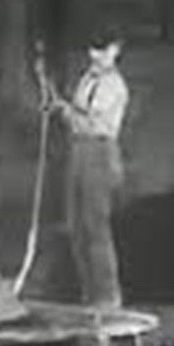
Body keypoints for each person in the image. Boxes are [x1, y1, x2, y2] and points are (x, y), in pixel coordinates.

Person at [51, 27, 129, 309]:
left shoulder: (114, 86)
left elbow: (94, 124)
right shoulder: (87, 79)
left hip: (99, 151)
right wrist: (58, 106)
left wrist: (66, 112)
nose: (97, 56)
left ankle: (108, 296)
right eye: (94, 50)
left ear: (116, 50)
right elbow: (76, 113)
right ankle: (89, 294)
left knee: (96, 226)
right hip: (79, 151)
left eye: (103, 50)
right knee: (76, 224)